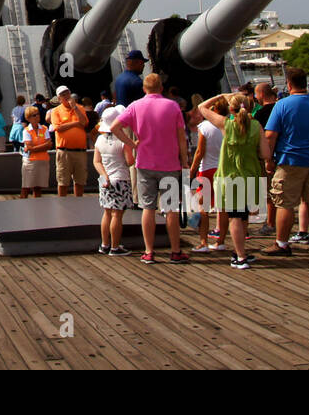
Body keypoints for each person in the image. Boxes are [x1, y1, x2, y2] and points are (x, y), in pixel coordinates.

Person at [112, 73, 190, 264]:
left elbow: (115, 127)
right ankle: (175, 250)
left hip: (145, 164)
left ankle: (149, 251)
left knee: (147, 207)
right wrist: (185, 161)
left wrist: (132, 143)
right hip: (170, 164)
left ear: (144, 88)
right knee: (171, 208)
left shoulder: (136, 106)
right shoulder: (173, 106)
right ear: (161, 88)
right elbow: (181, 137)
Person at [261, 68, 309, 257]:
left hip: (290, 160)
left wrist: (269, 159)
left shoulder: (282, 105)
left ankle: (282, 243)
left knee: (284, 204)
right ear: (306, 82)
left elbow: (270, 136)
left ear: (288, 84)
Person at [198, 92, 264, 269]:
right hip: (250, 173)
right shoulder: (257, 126)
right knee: (243, 216)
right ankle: (240, 251)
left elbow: (201, 108)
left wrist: (220, 95)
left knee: (234, 216)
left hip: (230, 175)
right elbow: (265, 154)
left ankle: (240, 256)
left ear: (231, 109)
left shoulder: (226, 125)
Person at [94, 105, 134, 255]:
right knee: (117, 215)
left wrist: (105, 175)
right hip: (121, 178)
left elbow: (96, 161)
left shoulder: (99, 139)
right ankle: (115, 247)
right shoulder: (122, 140)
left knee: (107, 213)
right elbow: (129, 161)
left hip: (105, 180)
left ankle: (105, 244)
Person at [188, 95, 224, 252]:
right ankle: (220, 241)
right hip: (223, 169)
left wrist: (191, 171)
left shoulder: (205, 127)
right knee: (223, 207)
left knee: (202, 208)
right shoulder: (228, 125)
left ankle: (203, 242)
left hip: (206, 169)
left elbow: (199, 152)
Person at [49, 86, 89, 197]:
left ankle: (79, 202)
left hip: (80, 151)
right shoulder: (56, 111)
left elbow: (84, 123)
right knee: (63, 181)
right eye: (63, 95)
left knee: (80, 181)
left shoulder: (80, 108)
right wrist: (76, 123)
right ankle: (62, 204)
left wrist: (75, 108)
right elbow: (58, 127)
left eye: (67, 93)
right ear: (59, 98)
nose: (66, 96)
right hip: (64, 151)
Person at [254, 83, 279, 236]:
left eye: (257, 94)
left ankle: (270, 223)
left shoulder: (261, 114)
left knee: (269, 192)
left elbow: (263, 137)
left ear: (262, 94)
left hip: (267, 156)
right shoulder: (280, 109)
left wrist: (266, 158)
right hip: (284, 154)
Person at [19, 105, 51, 198]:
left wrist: (34, 148)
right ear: (28, 118)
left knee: (38, 187)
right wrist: (44, 145)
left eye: (38, 114)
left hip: (43, 161)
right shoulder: (27, 130)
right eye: (34, 115)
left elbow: (49, 145)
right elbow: (29, 147)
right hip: (31, 161)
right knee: (26, 187)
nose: (37, 116)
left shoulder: (44, 128)